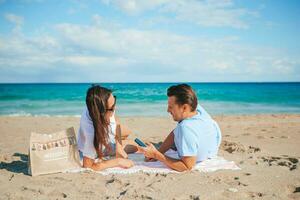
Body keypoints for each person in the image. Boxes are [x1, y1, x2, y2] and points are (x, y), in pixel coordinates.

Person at [139, 84, 222, 172]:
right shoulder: (197, 109)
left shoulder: (186, 128)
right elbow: (175, 133)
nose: (167, 110)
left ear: (184, 107)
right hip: (211, 147)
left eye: (171, 107)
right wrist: (160, 151)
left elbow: (187, 166)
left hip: (196, 155)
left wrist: (157, 155)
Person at [77, 85, 138, 171]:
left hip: (106, 138)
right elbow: (88, 165)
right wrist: (118, 161)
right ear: (101, 113)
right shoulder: (91, 132)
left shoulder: (103, 105)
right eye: (112, 108)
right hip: (97, 148)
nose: (115, 108)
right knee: (137, 147)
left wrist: (119, 147)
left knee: (129, 133)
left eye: (115, 102)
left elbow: (116, 121)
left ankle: (116, 141)